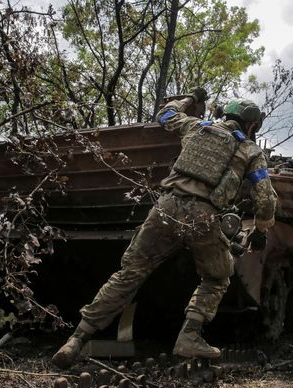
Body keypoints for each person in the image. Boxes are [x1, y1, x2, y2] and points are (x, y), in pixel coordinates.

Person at [52, 89, 277, 369]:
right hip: (203, 217)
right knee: (218, 276)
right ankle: (189, 335)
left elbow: (165, 114)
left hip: (165, 208)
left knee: (129, 275)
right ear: (251, 126)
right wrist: (260, 230)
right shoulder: (250, 151)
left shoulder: (196, 127)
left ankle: (76, 339)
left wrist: (192, 99)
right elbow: (265, 201)